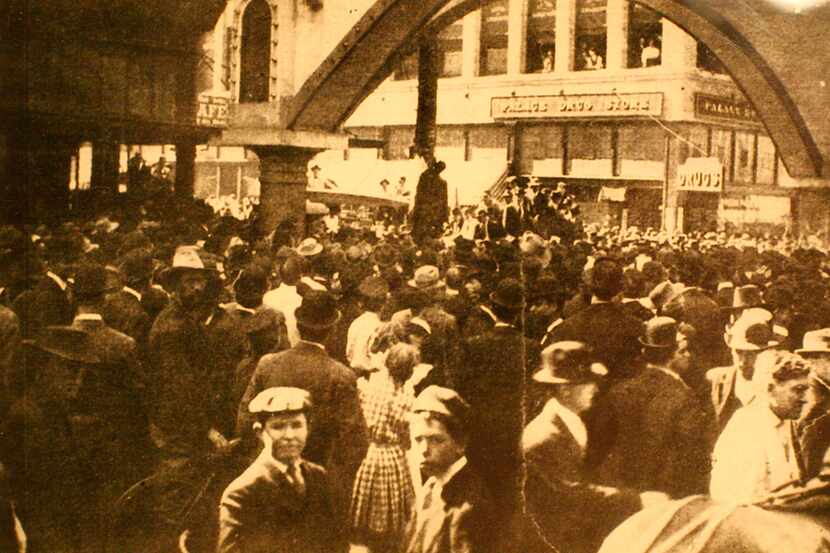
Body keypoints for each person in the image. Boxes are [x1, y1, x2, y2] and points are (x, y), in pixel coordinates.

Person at [237, 291, 369, 532]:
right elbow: (355, 442)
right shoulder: (340, 375)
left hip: (268, 477)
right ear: (333, 329)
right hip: (316, 487)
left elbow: (245, 422)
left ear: (297, 326)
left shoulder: (268, 364)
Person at [522, 341, 663, 553]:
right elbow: (573, 496)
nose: (595, 389)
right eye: (587, 383)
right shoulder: (542, 439)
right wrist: (637, 500)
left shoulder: (572, 421)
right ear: (565, 390)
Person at [597, 317, 715, 498]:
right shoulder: (683, 397)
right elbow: (693, 454)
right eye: (682, 351)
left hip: (627, 492)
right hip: (668, 494)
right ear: (669, 357)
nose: (688, 355)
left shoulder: (621, 390)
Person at [218, 387, 342, 553]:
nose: (289, 435)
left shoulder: (317, 476)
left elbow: (334, 543)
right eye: (278, 427)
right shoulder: (242, 492)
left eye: (297, 425)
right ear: (260, 432)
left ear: (308, 428)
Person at [400, 386, 497, 553]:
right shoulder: (431, 488)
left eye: (436, 440)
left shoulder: (468, 506)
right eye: (418, 440)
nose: (424, 449)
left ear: (460, 443)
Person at [710, 350, 811, 504]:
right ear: (769, 388)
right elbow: (744, 502)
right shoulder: (747, 429)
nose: (805, 399)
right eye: (798, 390)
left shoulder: (785, 421)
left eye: (806, 390)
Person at [350, 343, 418, 553]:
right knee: (390, 502)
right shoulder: (406, 399)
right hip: (391, 453)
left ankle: (363, 538)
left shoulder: (367, 387)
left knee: (363, 499)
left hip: (367, 452)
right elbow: (406, 438)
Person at [706, 309, 782, 433]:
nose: (743, 361)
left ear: (768, 352)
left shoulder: (777, 386)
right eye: (738, 352)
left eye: (752, 354)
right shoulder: (716, 380)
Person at [347, 276, 389, 377]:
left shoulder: (356, 322)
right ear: (384, 302)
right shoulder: (378, 327)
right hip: (370, 375)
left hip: (353, 371)